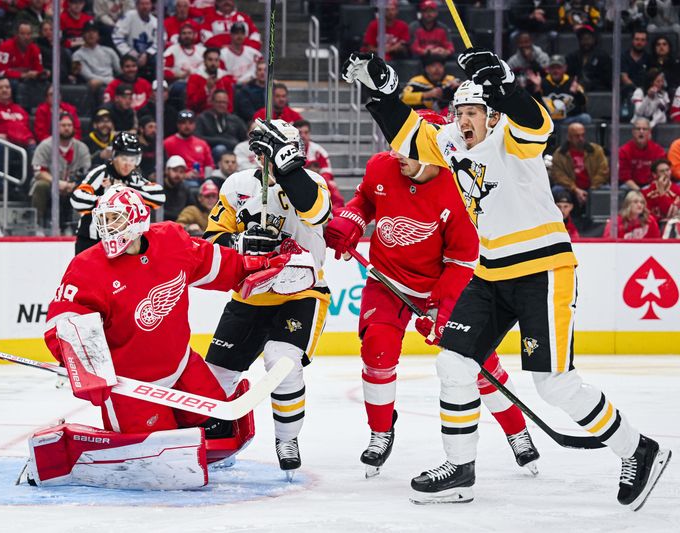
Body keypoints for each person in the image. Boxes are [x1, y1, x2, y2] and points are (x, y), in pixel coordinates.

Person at [341, 51, 670, 509]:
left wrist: (506, 86)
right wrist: (380, 93)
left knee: (555, 385)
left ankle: (639, 449)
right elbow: (408, 134)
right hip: (490, 272)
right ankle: (460, 470)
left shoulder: (514, 138)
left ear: (492, 115)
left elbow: (538, 123)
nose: (464, 121)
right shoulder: (452, 141)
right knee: (454, 365)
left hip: (542, 270)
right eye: (459, 113)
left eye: (473, 112)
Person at [24, 184, 312, 490]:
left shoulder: (171, 241)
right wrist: (86, 366)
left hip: (180, 367)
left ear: (136, 220)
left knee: (216, 425)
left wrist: (257, 266)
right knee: (163, 453)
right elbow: (64, 320)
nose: (108, 229)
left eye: (116, 220)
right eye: (104, 220)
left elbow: (215, 264)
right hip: (132, 388)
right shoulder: (87, 268)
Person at [324, 111, 540, 478]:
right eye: (395, 145)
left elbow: (460, 262)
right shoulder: (382, 166)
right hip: (387, 280)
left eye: (406, 147)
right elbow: (365, 200)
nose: (397, 154)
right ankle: (380, 432)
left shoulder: (461, 187)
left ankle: (517, 431)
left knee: (477, 362)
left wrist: (440, 311)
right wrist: (350, 221)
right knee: (377, 348)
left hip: (443, 285)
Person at [204, 119, 331, 477]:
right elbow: (212, 240)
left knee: (282, 363)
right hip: (250, 294)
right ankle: (219, 436)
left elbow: (317, 212)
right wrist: (240, 245)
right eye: (263, 153)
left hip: (299, 292)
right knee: (215, 375)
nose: (266, 159)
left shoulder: (312, 184)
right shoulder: (237, 186)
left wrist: (285, 164)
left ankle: (287, 438)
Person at [71, 132, 166, 254]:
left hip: (120, 241)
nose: (128, 164)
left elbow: (159, 197)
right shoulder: (101, 173)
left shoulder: (134, 179)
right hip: (91, 240)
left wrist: (126, 189)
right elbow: (77, 198)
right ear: (114, 156)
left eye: (133, 159)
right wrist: (107, 200)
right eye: (124, 158)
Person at [31, 113, 92, 234]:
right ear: (56, 127)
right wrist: (57, 182)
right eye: (63, 125)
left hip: (72, 185)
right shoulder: (45, 146)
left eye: (69, 125)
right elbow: (38, 172)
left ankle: (79, 226)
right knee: (40, 185)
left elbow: (86, 173)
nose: (67, 128)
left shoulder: (81, 148)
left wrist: (72, 184)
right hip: (50, 184)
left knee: (85, 189)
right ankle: (38, 224)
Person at [550, 122, 609, 207]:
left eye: (582, 135)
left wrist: (591, 189)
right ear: (569, 137)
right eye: (577, 136)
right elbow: (558, 176)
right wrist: (575, 189)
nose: (581, 138)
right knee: (557, 190)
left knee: (607, 190)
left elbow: (603, 171)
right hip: (570, 188)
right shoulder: (559, 154)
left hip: (593, 186)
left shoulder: (596, 150)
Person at [295, 119, 345, 209]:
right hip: (294, 182)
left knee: (329, 182)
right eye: (300, 133)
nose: (303, 136)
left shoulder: (318, 150)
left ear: (309, 133)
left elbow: (327, 173)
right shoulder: (287, 150)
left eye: (306, 132)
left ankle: (334, 210)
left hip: (315, 183)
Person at [531, 54, 591, 125]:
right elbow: (533, 106)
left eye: (558, 67)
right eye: (553, 67)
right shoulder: (542, 82)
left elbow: (583, 103)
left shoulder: (573, 82)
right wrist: (537, 89)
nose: (555, 70)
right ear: (548, 69)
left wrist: (576, 93)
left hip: (568, 120)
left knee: (586, 118)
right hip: (549, 121)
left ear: (565, 68)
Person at [164, 109, 215, 184]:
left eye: (190, 123)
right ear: (178, 124)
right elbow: (165, 167)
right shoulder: (168, 143)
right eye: (183, 123)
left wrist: (206, 181)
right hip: (179, 180)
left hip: (201, 179)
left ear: (194, 125)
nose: (187, 126)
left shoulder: (202, 144)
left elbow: (209, 165)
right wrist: (183, 175)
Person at [73, 20, 122, 97]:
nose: (91, 34)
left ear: (98, 35)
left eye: (94, 31)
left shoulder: (109, 51)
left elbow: (120, 70)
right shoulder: (76, 55)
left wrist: (115, 82)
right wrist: (112, 81)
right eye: (88, 32)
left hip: (112, 85)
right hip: (92, 87)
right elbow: (88, 76)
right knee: (94, 83)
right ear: (83, 35)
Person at [195, 89, 248, 161]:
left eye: (224, 102)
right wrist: (221, 141)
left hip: (234, 151)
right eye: (219, 102)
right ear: (212, 102)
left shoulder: (234, 119)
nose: (222, 105)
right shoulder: (202, 118)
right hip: (212, 151)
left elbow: (244, 137)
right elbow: (198, 138)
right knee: (220, 149)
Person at [113, 0, 160, 78]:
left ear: (151, 5)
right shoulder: (129, 16)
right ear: (137, 5)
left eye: (147, 4)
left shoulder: (155, 22)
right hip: (128, 53)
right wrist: (129, 52)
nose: (145, 7)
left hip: (147, 56)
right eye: (142, 4)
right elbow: (117, 36)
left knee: (158, 59)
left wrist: (147, 54)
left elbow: (160, 41)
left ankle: (157, 86)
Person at [619, 118, 667, 190]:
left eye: (644, 129)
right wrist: (639, 191)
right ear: (633, 132)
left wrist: (649, 190)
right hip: (631, 186)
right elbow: (624, 177)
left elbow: (662, 174)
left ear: (649, 132)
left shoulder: (658, 151)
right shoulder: (624, 151)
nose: (641, 131)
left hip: (652, 186)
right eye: (638, 129)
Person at [186, 47, 236, 114]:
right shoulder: (194, 78)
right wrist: (206, 88)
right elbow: (191, 104)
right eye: (210, 60)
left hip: (222, 116)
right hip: (200, 116)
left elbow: (230, 105)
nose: (213, 63)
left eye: (216, 60)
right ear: (204, 61)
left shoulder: (225, 79)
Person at [565, 25, 612, 91]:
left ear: (594, 39)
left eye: (588, 39)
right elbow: (568, 76)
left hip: (598, 92)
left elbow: (607, 80)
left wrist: (591, 84)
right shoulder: (572, 57)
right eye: (583, 39)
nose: (586, 42)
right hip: (576, 91)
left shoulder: (603, 57)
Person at [642, 158, 680, 229]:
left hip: (671, 226)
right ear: (654, 175)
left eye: (668, 170)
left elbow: (669, 213)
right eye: (662, 171)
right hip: (651, 225)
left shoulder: (678, 191)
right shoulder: (646, 192)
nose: (666, 173)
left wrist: (662, 192)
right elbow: (645, 215)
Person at [621, 30, 652, 101]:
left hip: (646, 92)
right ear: (632, 40)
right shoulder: (624, 57)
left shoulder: (649, 58)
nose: (639, 42)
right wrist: (637, 90)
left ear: (646, 42)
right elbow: (624, 77)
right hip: (627, 91)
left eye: (642, 40)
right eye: (637, 39)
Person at [162, 155, 194, 221]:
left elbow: (191, 208)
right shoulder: (158, 187)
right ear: (167, 170)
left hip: (180, 224)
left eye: (181, 172)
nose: (178, 174)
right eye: (175, 170)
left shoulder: (185, 188)